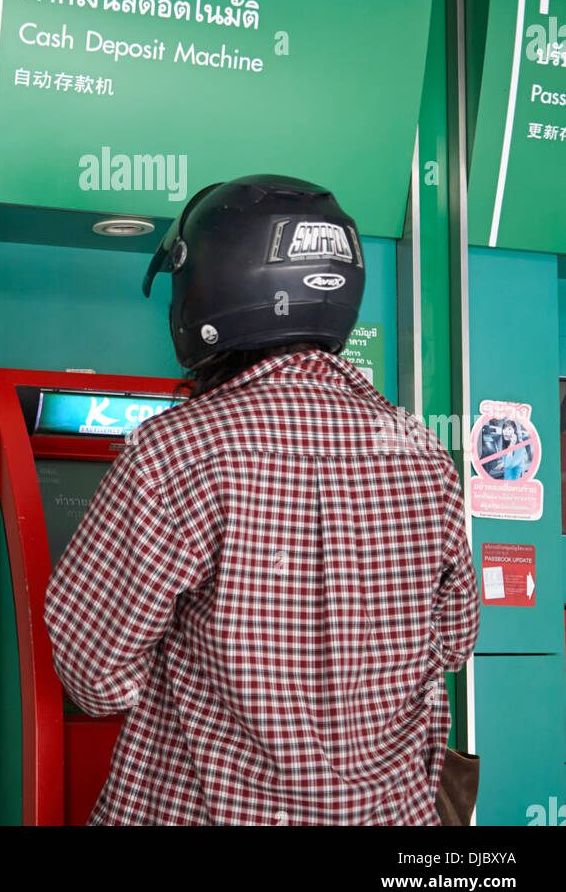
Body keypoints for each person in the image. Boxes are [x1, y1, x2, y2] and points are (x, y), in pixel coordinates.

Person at [44, 175, 480, 826]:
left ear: (205, 291)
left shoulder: (175, 451)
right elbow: (453, 643)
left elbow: (94, 675)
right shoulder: (422, 452)